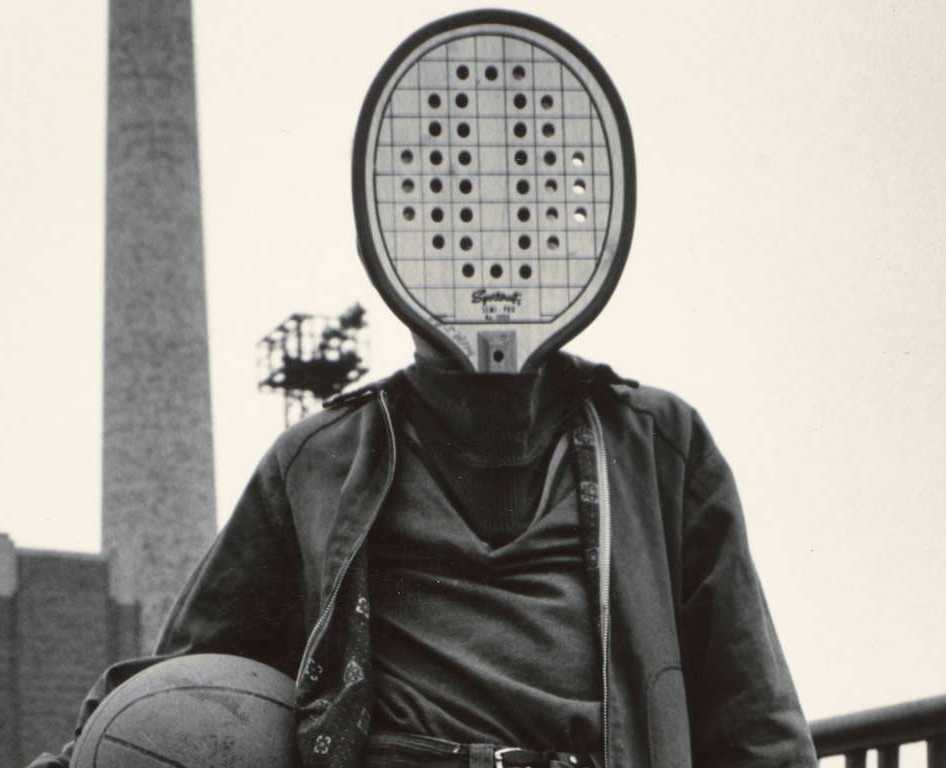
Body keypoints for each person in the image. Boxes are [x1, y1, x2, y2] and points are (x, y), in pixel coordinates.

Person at [40, 10, 816, 768]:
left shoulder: (658, 448)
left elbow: (756, 730)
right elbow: (182, 675)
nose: (489, 240)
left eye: (519, 208)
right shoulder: (317, 464)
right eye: (454, 217)